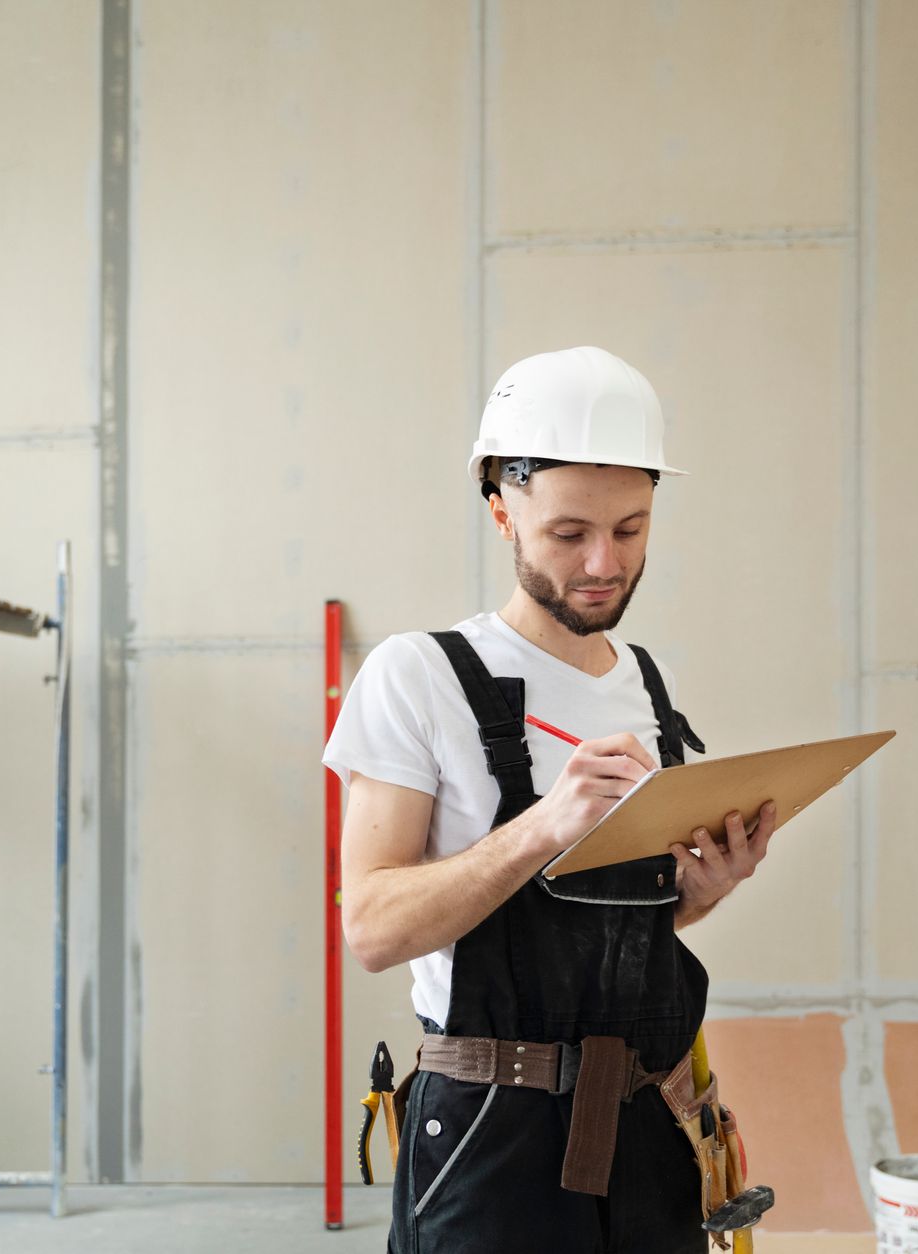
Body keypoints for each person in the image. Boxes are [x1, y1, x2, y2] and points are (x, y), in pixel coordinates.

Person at [324, 346, 779, 1253]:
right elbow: (373, 928)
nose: (604, 563)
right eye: (569, 534)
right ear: (502, 511)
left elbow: (600, 935)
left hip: (649, 1128)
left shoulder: (649, 685)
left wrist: (695, 895)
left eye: (632, 529)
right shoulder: (420, 677)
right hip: (493, 1138)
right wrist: (544, 825)